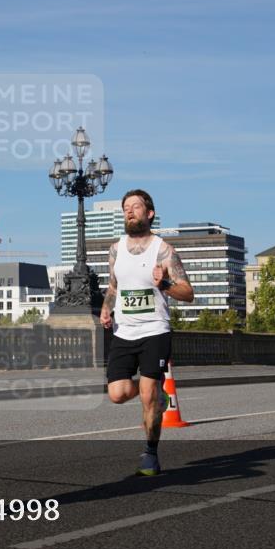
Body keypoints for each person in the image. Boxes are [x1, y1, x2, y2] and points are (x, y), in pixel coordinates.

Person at [100, 189, 194, 476]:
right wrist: (107, 308)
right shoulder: (116, 249)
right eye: (126, 207)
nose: (129, 211)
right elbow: (115, 286)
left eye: (136, 207)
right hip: (124, 331)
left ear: (149, 213)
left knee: (147, 394)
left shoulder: (164, 251)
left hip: (155, 330)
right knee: (117, 393)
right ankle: (156, 398)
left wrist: (164, 284)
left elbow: (188, 293)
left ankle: (150, 453)